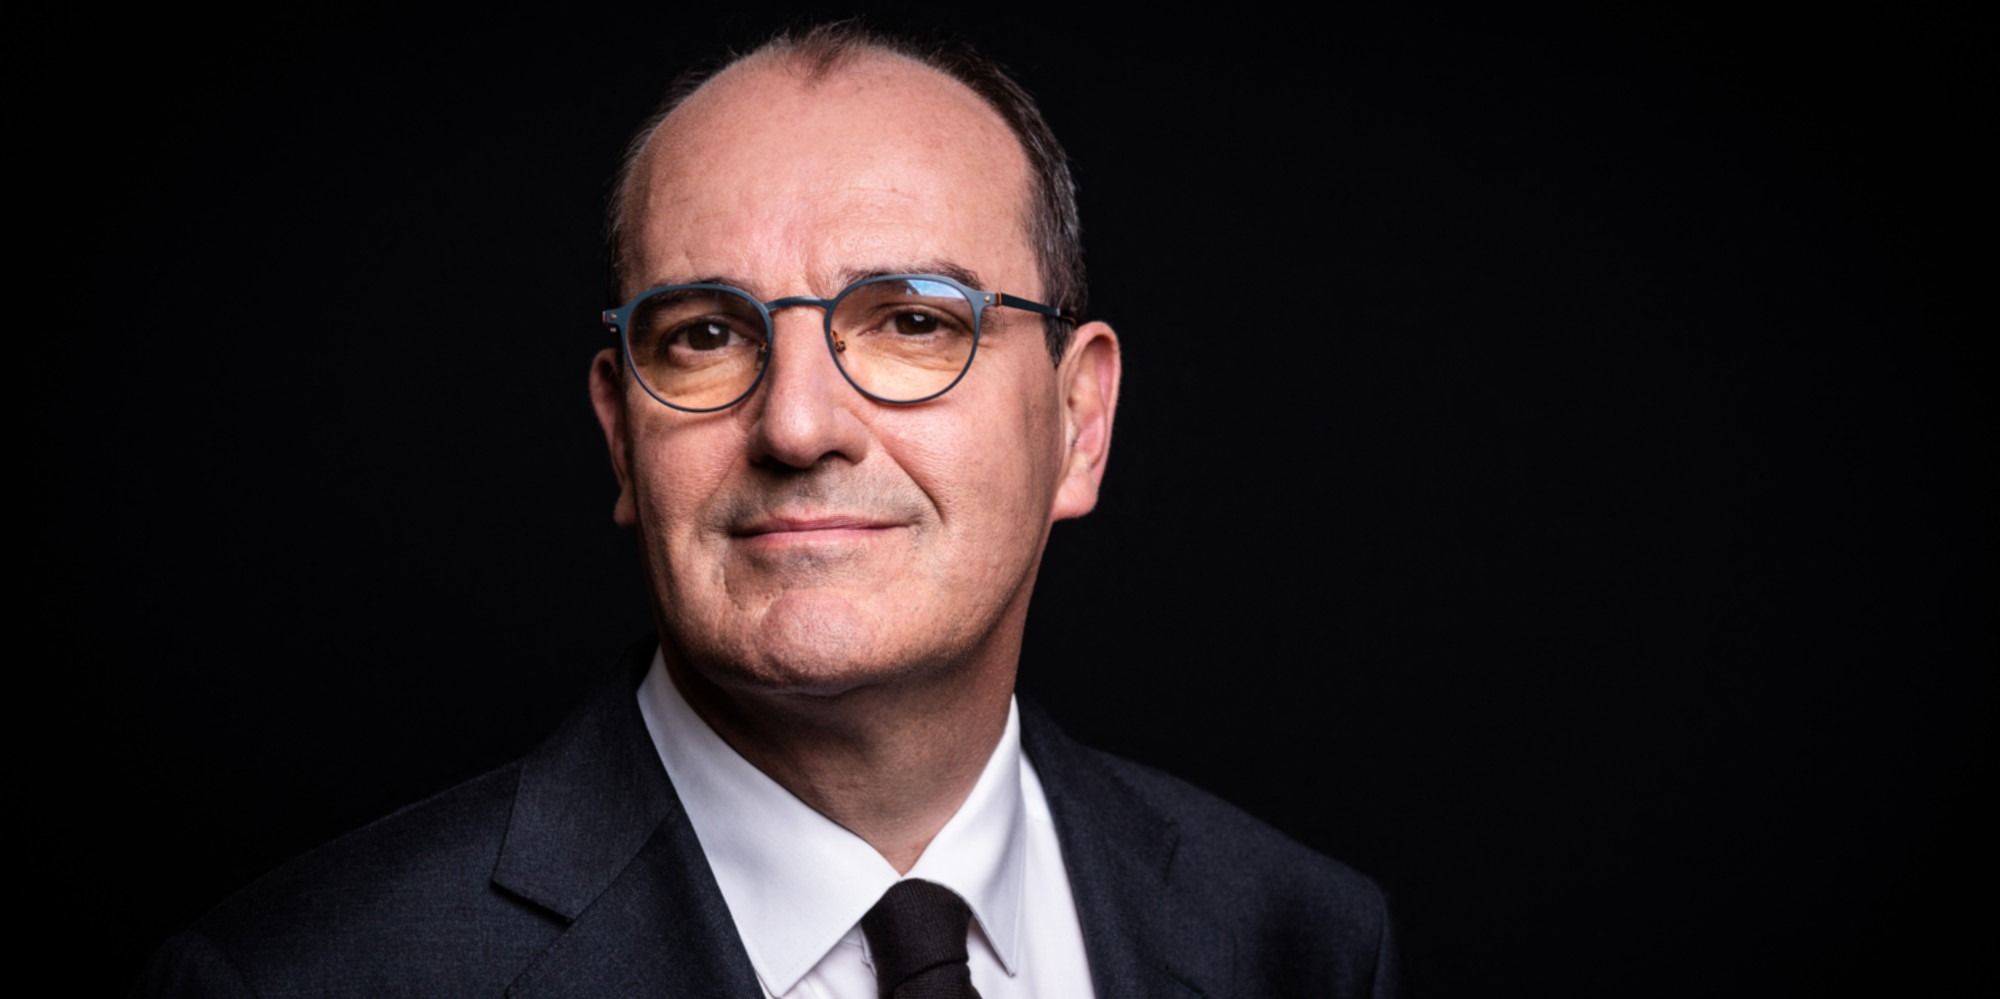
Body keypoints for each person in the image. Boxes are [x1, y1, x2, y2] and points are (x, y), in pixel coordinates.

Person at [138, 23, 1396, 998]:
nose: (796, 425)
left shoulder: (1299, 941)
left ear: (1078, 422)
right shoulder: (301, 980)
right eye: (703, 336)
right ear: (620, 435)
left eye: (912, 322)